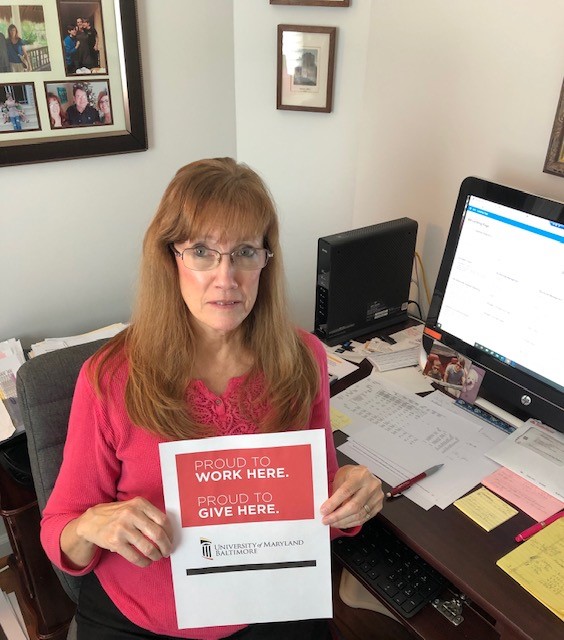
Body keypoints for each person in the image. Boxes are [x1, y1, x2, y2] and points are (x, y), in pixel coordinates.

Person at [40, 158, 384, 640]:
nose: (226, 278)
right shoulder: (111, 377)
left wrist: (351, 499)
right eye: (202, 251)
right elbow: (60, 534)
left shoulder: (303, 358)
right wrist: (91, 526)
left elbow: (320, 499)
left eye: (245, 252)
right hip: (143, 619)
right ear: (170, 258)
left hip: (268, 602)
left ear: (266, 260)